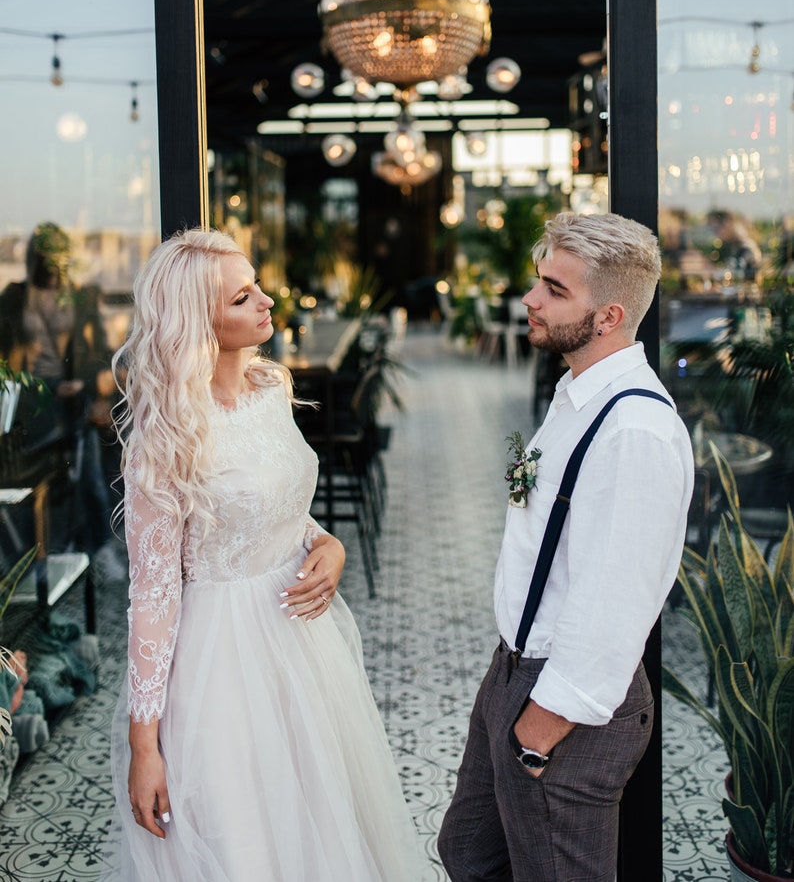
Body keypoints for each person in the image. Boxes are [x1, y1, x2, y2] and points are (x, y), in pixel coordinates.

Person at [99, 226, 427, 882]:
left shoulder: (271, 384)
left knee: (321, 819)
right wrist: (145, 748)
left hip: (302, 645)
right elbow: (155, 598)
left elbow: (283, 510)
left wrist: (328, 545)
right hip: (223, 663)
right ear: (200, 320)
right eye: (242, 297)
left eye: (256, 287)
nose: (266, 303)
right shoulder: (164, 443)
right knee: (247, 837)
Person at [438, 211, 695, 882]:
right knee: (469, 850)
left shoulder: (633, 429)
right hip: (514, 673)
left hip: (567, 704)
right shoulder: (577, 392)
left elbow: (616, 602)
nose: (530, 298)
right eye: (538, 281)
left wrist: (538, 733)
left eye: (554, 288)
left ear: (608, 317)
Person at [0, 222, 126, 580]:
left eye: (60, 260)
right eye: (48, 260)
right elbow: (8, 365)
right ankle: (70, 553)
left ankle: (92, 548)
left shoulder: (81, 298)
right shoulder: (13, 299)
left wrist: (92, 387)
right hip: (35, 404)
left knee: (88, 475)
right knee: (65, 479)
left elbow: (98, 353)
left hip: (75, 401)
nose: (55, 270)